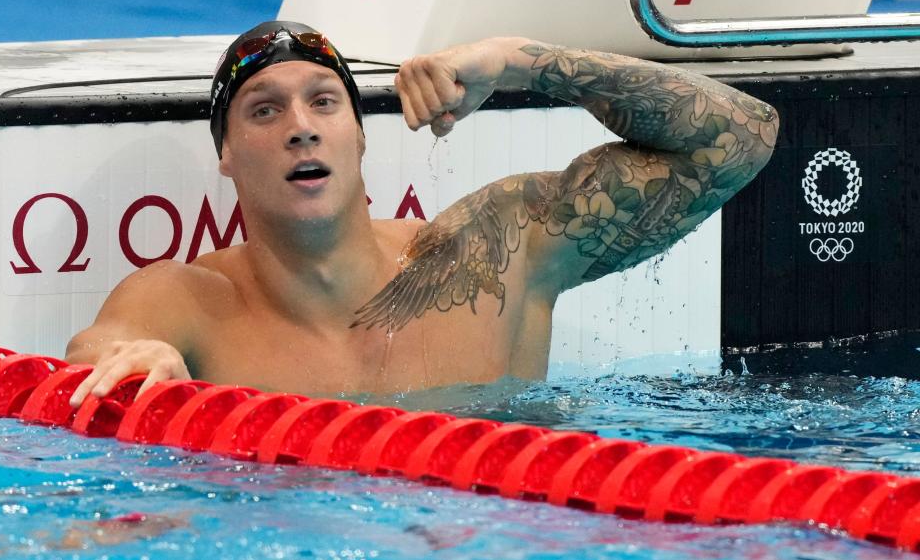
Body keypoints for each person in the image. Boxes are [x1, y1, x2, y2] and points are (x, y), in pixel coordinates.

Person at [66, 21, 779, 405]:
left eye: (323, 101)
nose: (301, 126)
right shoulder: (186, 302)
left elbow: (742, 135)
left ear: (359, 135)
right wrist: (139, 358)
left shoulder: (490, 254)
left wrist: (519, 61)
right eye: (264, 110)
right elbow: (100, 354)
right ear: (226, 154)